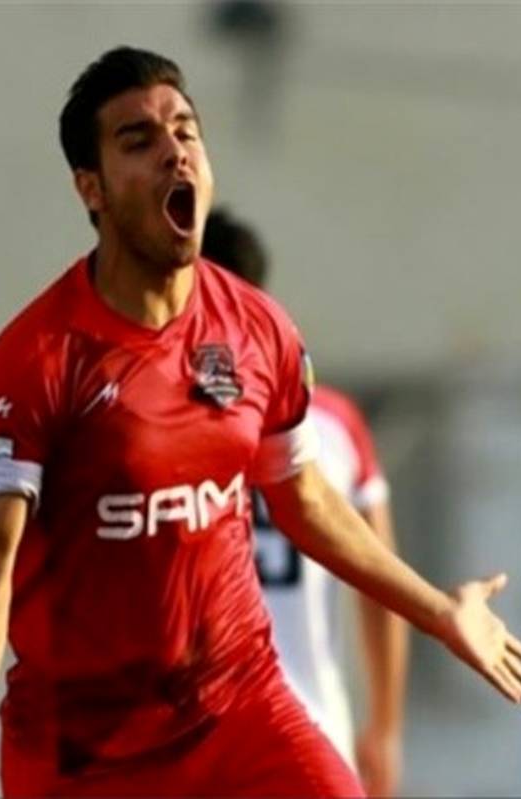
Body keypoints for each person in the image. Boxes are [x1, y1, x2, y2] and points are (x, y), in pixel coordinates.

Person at [0, 46, 521, 799]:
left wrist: (439, 612)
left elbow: (305, 498)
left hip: (239, 708)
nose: (174, 151)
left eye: (186, 131)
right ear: (91, 188)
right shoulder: (36, 359)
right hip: (87, 749)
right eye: (139, 141)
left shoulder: (258, 327)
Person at [201, 207, 408, 797]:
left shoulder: (159, 422)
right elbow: (382, 582)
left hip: (200, 739)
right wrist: (385, 727)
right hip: (313, 733)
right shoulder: (332, 424)